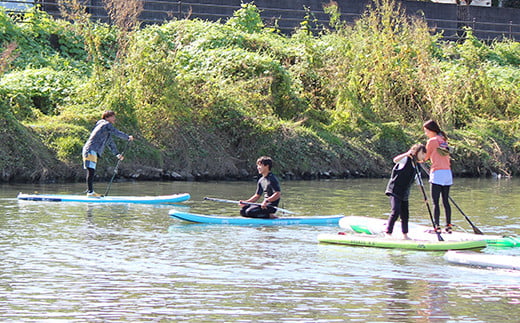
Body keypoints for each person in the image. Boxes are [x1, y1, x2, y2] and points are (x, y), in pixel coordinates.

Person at [82, 110, 134, 197]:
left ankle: (90, 192)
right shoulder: (105, 124)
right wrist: (127, 137)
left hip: (92, 150)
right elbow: (116, 132)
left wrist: (117, 154)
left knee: (91, 170)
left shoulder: (105, 129)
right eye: (112, 116)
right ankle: (90, 192)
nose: (114, 118)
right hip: (90, 149)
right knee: (91, 170)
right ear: (107, 117)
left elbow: (110, 143)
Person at [385, 144, 427, 239]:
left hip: (404, 192)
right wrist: (406, 154)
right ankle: (388, 233)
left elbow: (419, 182)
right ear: (416, 152)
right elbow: (395, 160)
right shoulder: (405, 160)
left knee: (405, 214)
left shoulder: (418, 166)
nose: (424, 156)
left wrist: (424, 196)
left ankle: (405, 235)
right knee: (396, 211)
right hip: (394, 190)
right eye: (422, 153)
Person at [422, 119, 452, 233]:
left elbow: (425, 157)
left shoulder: (432, 141)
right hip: (448, 173)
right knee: (445, 201)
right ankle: (448, 226)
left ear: (431, 130)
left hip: (437, 173)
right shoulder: (443, 139)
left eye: (426, 131)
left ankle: (436, 227)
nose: (425, 134)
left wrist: (416, 159)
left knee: (435, 202)